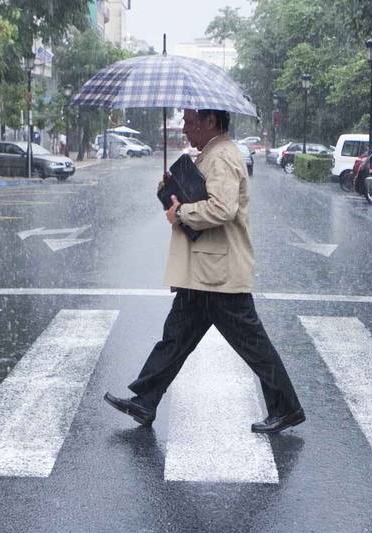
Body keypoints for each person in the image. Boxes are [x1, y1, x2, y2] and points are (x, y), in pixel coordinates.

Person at [103, 108, 306, 434]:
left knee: (253, 345)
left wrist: (181, 210)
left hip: (219, 274)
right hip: (205, 271)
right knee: (175, 338)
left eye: (189, 121)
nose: (184, 128)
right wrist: (172, 189)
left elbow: (222, 208)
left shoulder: (222, 156)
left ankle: (287, 408)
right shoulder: (211, 153)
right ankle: (144, 401)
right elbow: (204, 194)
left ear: (211, 121)